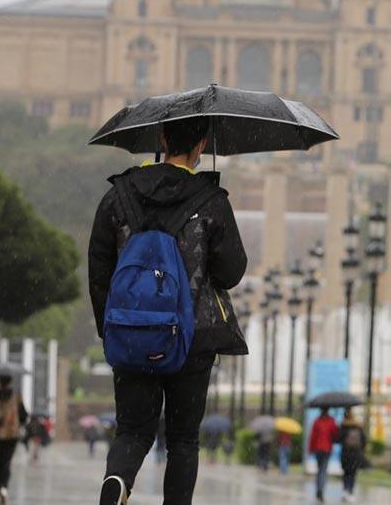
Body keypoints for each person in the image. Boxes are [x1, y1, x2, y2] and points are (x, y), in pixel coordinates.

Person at [89, 116, 249, 505]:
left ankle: (118, 479)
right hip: (192, 339)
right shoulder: (211, 202)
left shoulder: (118, 194)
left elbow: (99, 270)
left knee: (132, 431)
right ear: (202, 145)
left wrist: (110, 330)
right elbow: (231, 273)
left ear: (161, 138)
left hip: (132, 334)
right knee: (182, 439)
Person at [0, 375, 28, 505]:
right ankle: (4, 488)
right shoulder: (16, 397)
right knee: (6, 462)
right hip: (11, 435)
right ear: (10, 381)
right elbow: (24, 416)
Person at [309, 407, 339, 502]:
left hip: (318, 448)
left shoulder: (317, 421)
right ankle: (321, 490)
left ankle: (319, 489)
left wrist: (311, 449)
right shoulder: (331, 421)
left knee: (319, 470)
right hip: (326, 449)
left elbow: (313, 436)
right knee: (323, 470)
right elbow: (335, 433)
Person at [337, 411, 367, 502]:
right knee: (353, 473)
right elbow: (364, 440)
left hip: (346, 453)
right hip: (356, 454)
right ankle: (351, 492)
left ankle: (345, 490)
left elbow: (338, 439)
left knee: (346, 473)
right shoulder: (358, 427)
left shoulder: (343, 427)